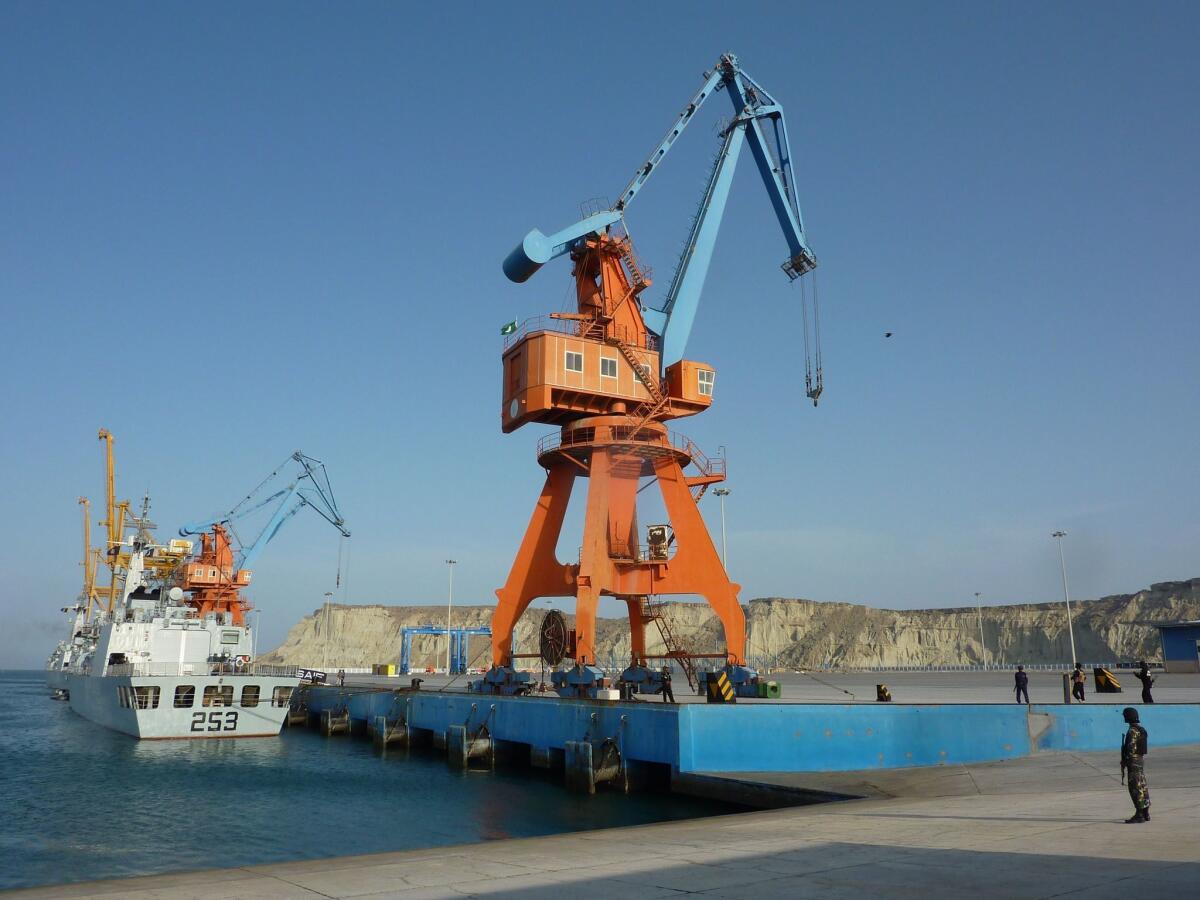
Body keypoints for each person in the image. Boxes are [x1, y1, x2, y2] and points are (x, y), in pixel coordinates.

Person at [1120, 707, 1150, 823]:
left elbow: (1130, 748)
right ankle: (1145, 811)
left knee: (1135, 787)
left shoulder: (1132, 731)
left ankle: (1139, 813)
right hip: (1140, 760)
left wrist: (1125, 760)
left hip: (1133, 761)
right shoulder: (1141, 729)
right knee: (1142, 785)